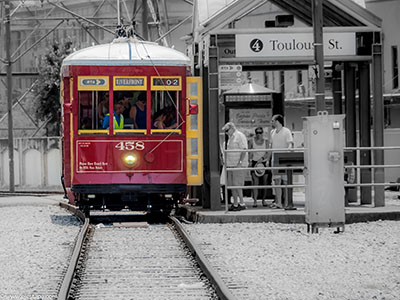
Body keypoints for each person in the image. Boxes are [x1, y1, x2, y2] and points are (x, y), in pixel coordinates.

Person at [265, 114, 294, 209]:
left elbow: (290, 143)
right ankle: (279, 203)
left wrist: (288, 152)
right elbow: (270, 146)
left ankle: (286, 202)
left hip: (284, 159)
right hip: (275, 159)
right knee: (276, 181)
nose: (271, 122)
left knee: (285, 181)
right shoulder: (272, 132)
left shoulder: (286, 131)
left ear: (278, 121)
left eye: (273, 120)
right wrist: (268, 159)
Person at [222, 122, 248, 211]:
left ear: (232, 128)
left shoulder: (240, 136)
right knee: (232, 185)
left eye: (227, 130)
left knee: (237, 184)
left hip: (238, 165)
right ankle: (236, 203)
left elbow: (244, 149)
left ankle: (242, 202)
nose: (226, 132)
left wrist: (240, 162)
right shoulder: (229, 138)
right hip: (230, 165)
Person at [248, 127, 269, 207]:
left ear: (262, 133)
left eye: (260, 133)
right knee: (255, 183)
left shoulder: (266, 141)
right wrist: (250, 161)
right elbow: (249, 152)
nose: (259, 135)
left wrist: (263, 159)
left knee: (264, 182)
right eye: (257, 133)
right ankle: (255, 201)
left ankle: (264, 200)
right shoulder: (251, 141)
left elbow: (268, 152)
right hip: (255, 162)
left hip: (263, 162)